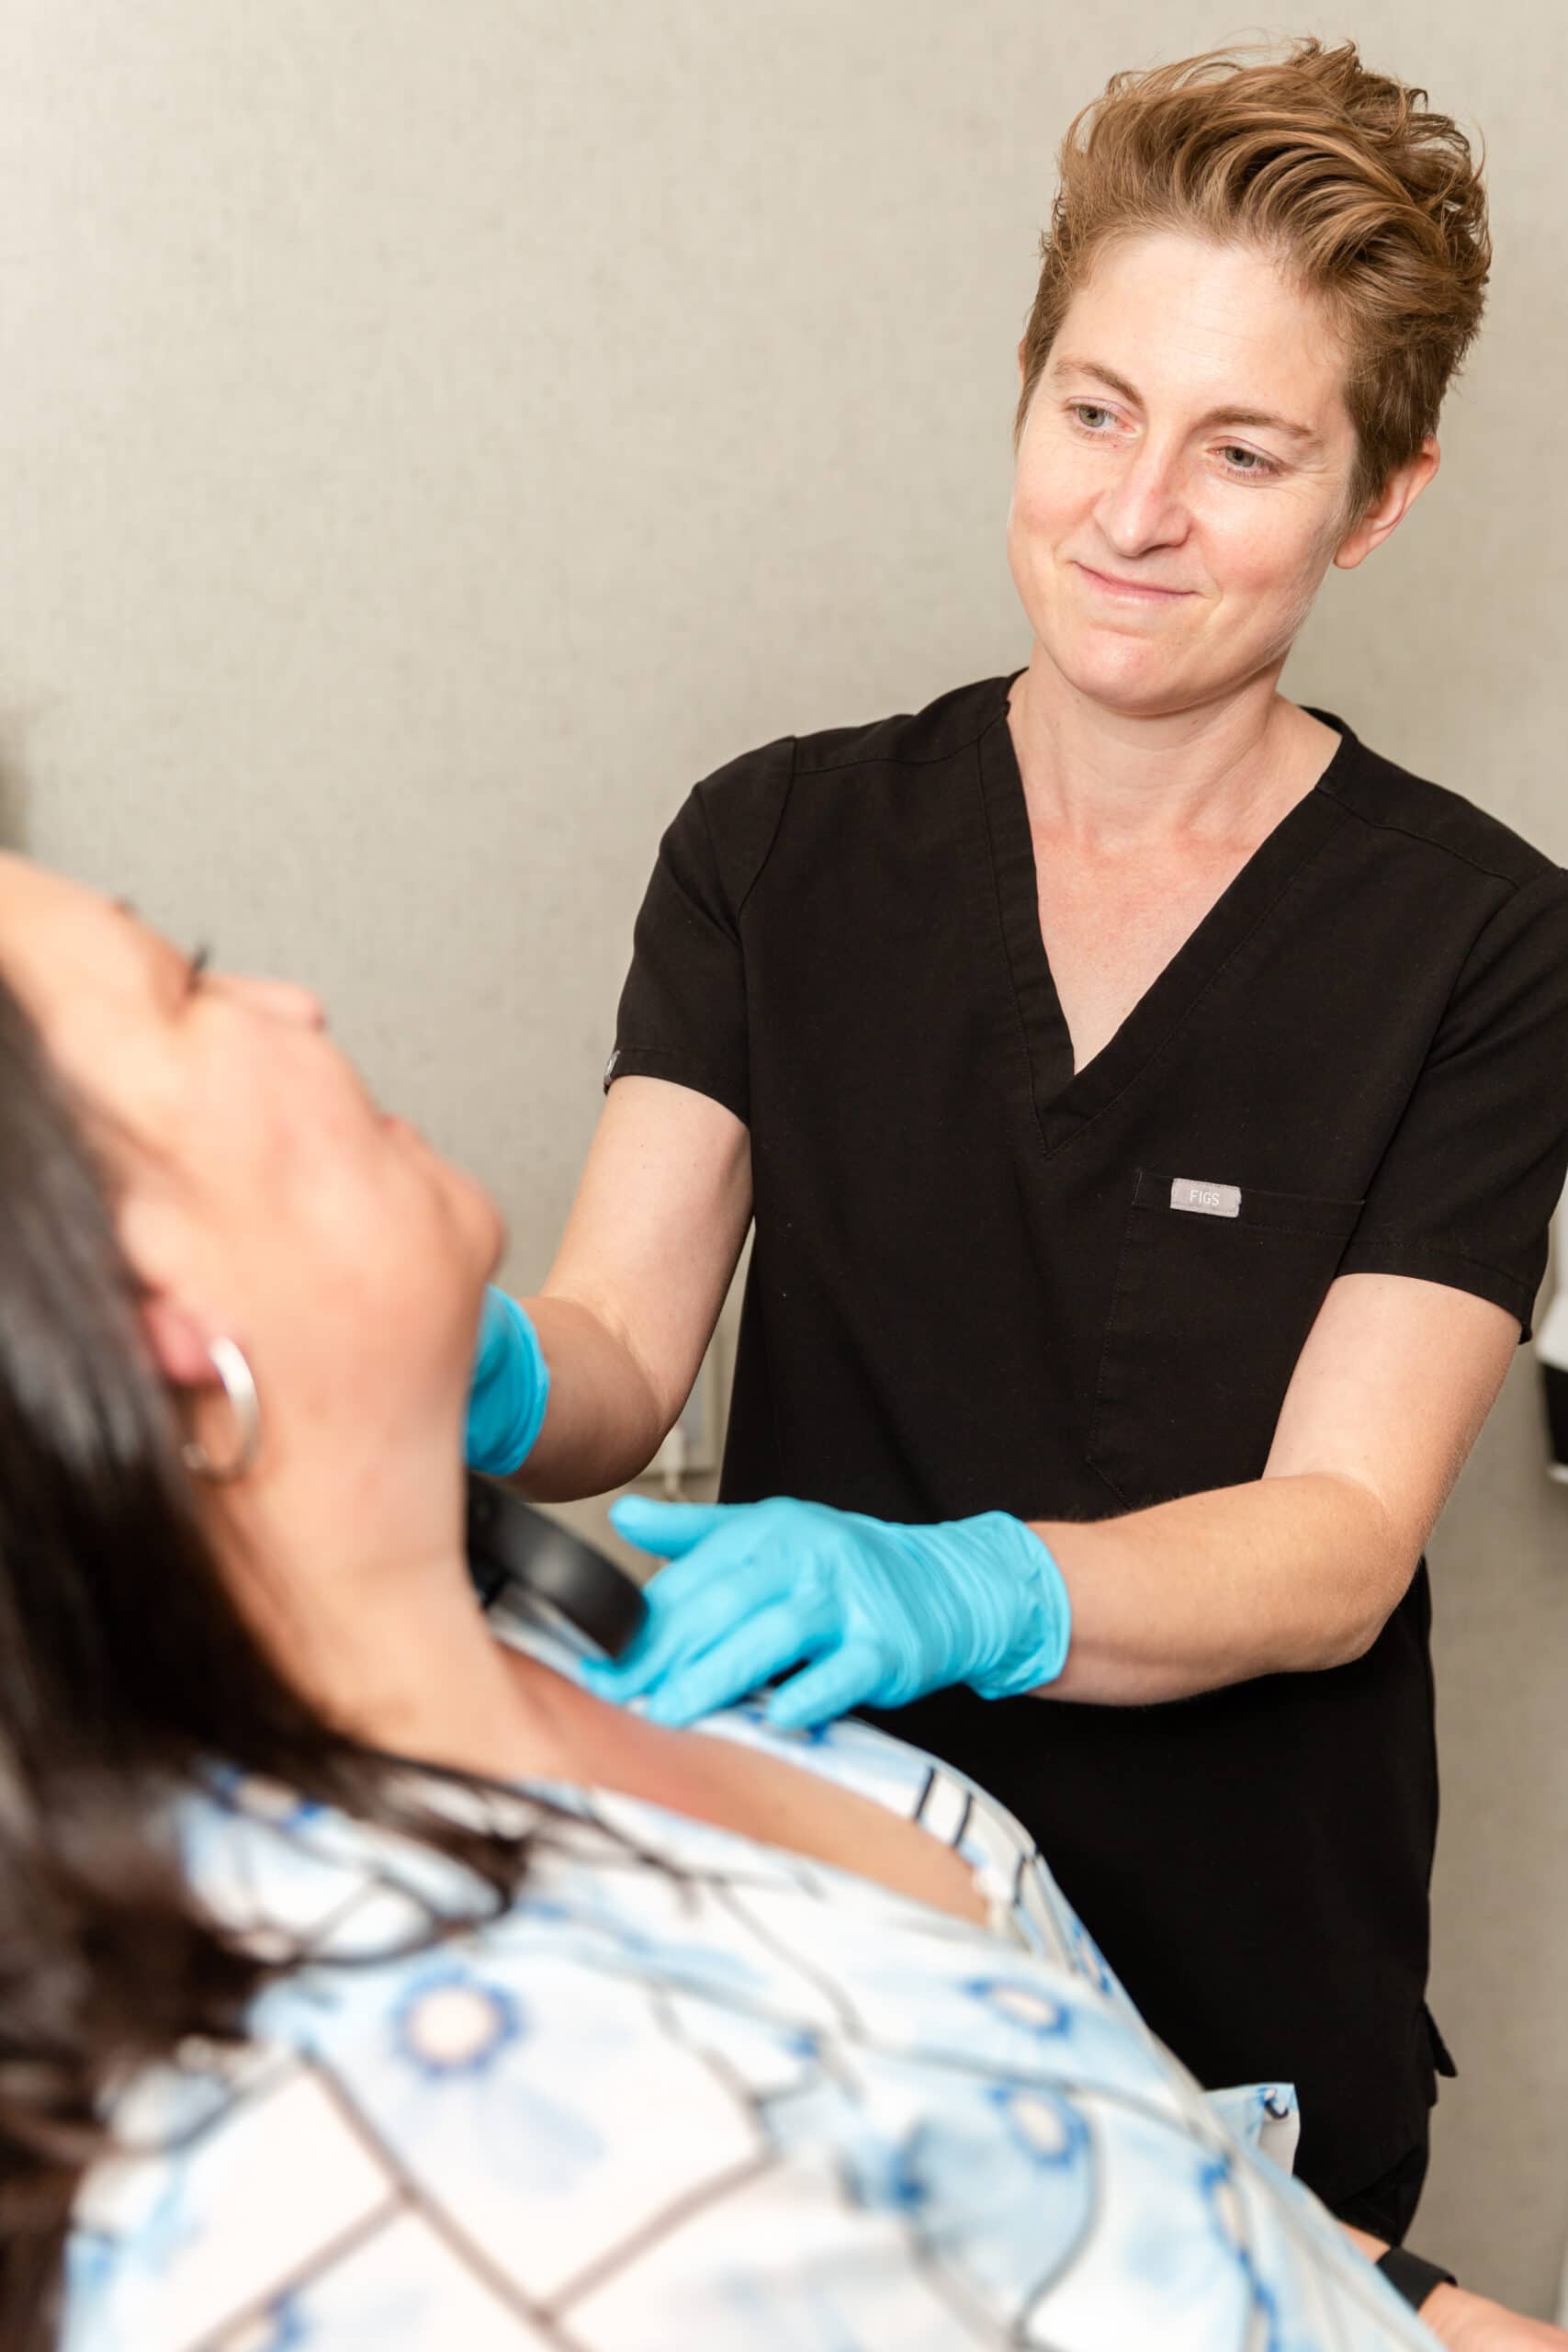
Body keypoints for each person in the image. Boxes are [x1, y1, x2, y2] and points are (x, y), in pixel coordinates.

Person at [461, 37, 1568, 2246]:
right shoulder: (775, 845)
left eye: (1243, 450)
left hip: (1241, 2020)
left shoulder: (1476, 941)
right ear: (1027, 393)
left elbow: (1340, 1530)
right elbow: (616, 1346)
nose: (1131, 512)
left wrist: (948, 1579)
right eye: (1093, 408)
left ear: (1380, 495)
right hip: (831, 1971)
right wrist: (466, 1362)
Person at [2, 857, 1562, 2352]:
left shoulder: (564, 1666)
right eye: (191, 988)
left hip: (1266, 2010)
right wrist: (528, 1364)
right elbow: (614, 1335)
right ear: (157, 1328)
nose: (292, 1000)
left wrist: (1407, 2303)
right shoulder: (429, 2123)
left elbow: (1032, 2140)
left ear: (1360, 550)